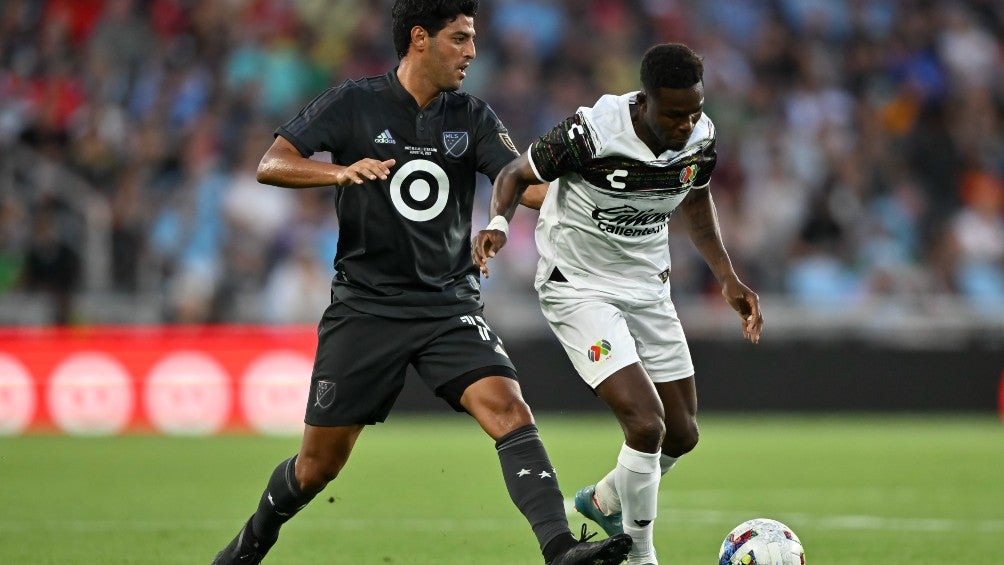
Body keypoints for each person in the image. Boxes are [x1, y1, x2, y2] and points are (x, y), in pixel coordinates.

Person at [211, 2, 633, 564]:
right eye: (459, 39)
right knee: (317, 467)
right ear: (419, 39)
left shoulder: (473, 116)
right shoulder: (353, 103)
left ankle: (559, 550)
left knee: (509, 409)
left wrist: (595, 199)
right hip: (365, 308)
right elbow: (272, 162)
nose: (472, 52)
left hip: (446, 304)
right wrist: (338, 171)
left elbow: (520, 183)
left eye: (473, 39)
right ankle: (249, 544)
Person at [473, 43, 764, 565]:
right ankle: (640, 555)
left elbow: (695, 197)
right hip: (578, 285)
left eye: (694, 109)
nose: (685, 123)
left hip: (648, 286)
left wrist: (727, 277)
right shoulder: (592, 132)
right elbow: (515, 174)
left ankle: (605, 500)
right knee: (646, 424)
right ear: (645, 100)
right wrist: (498, 225)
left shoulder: (701, 134)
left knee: (682, 434)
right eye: (674, 113)